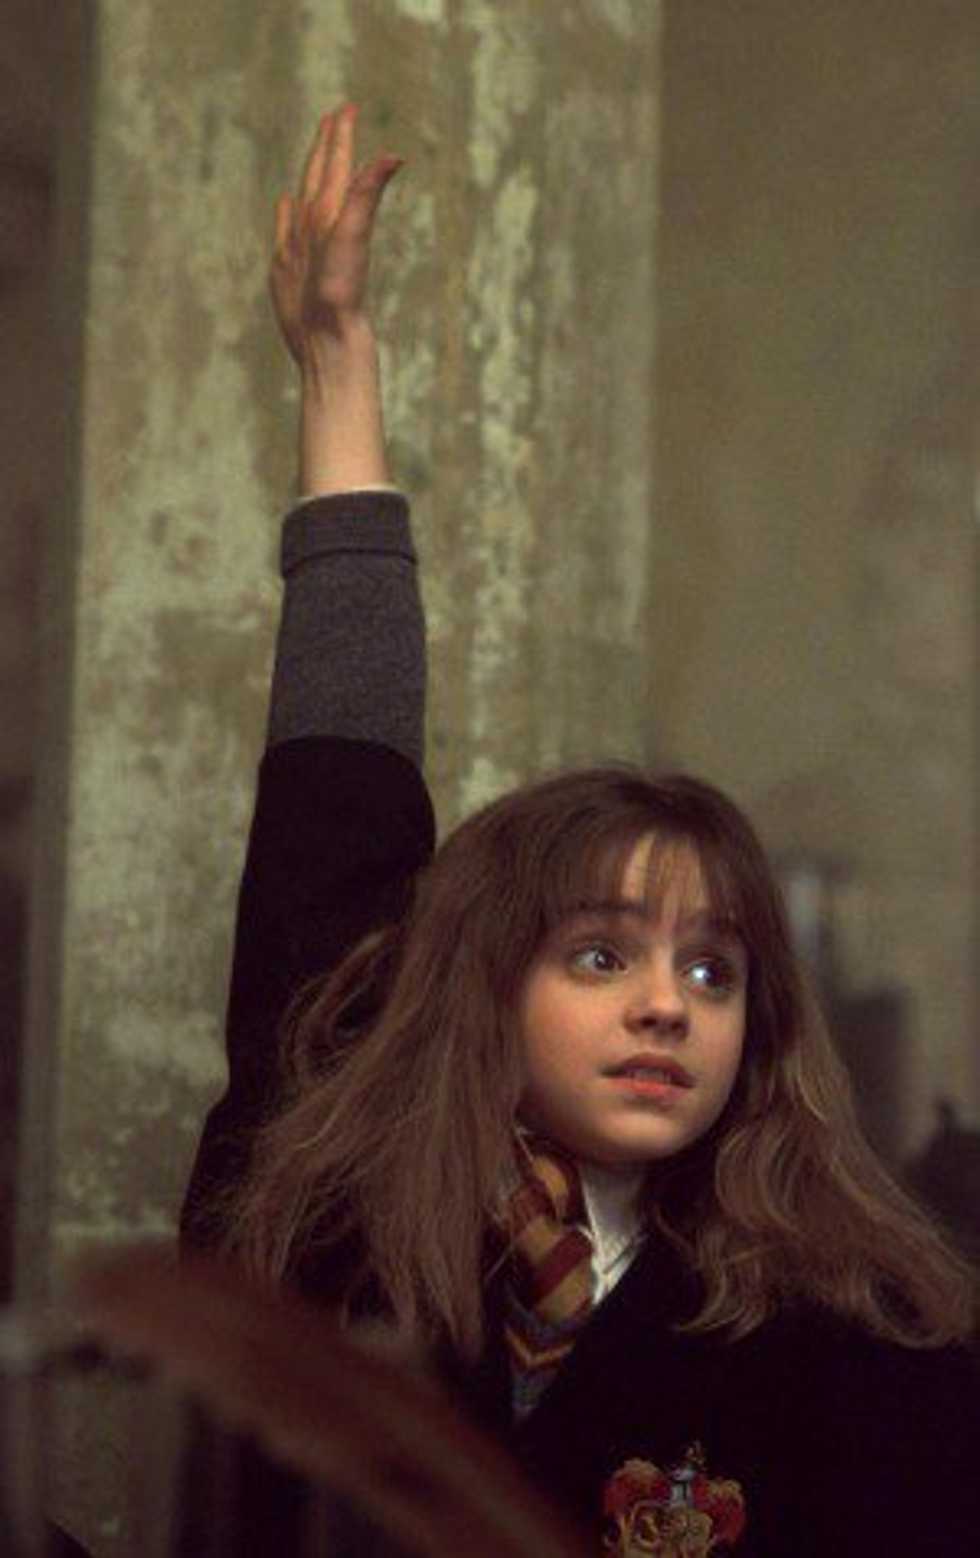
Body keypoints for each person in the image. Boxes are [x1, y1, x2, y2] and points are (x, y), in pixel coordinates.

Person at [181, 106, 978, 1557]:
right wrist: (339, 368)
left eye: (713, 970)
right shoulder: (331, 1217)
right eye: (602, 954)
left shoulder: (844, 1320)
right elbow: (338, 785)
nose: (668, 1004)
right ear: (488, 983)